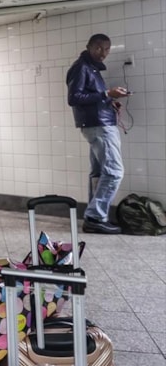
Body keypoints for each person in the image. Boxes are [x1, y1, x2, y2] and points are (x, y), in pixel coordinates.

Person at [66, 34, 129, 234]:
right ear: (89, 47)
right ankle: (95, 216)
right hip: (99, 126)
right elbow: (74, 98)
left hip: (98, 123)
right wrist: (106, 94)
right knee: (114, 172)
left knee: (99, 172)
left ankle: (95, 216)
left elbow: (90, 97)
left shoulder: (91, 68)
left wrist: (109, 102)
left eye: (107, 49)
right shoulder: (81, 67)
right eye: (99, 48)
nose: (103, 53)